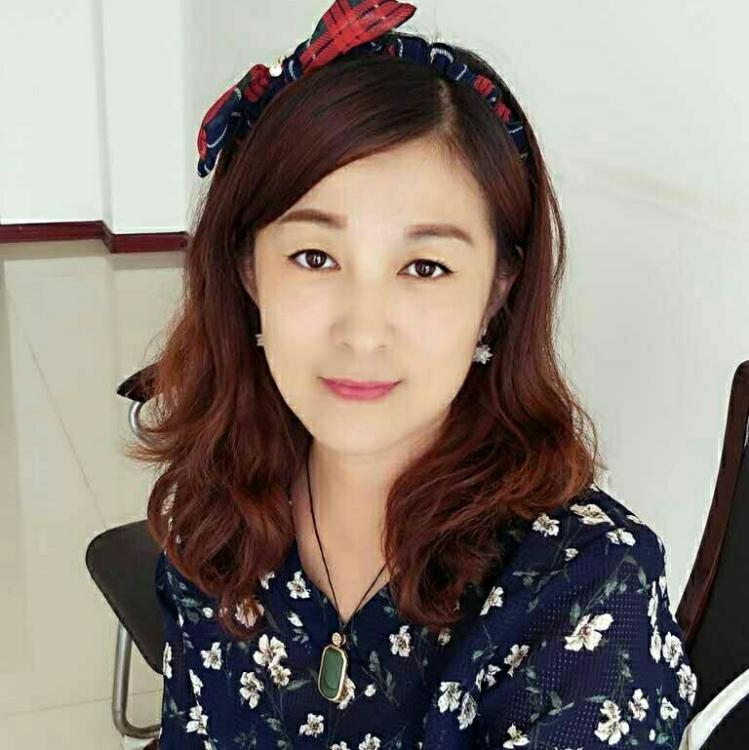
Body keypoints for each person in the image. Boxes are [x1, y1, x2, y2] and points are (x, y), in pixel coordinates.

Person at [127, 2, 698, 748]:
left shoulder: (585, 588)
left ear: (496, 293)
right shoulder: (217, 511)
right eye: (314, 257)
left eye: (425, 267)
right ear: (248, 270)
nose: (363, 332)